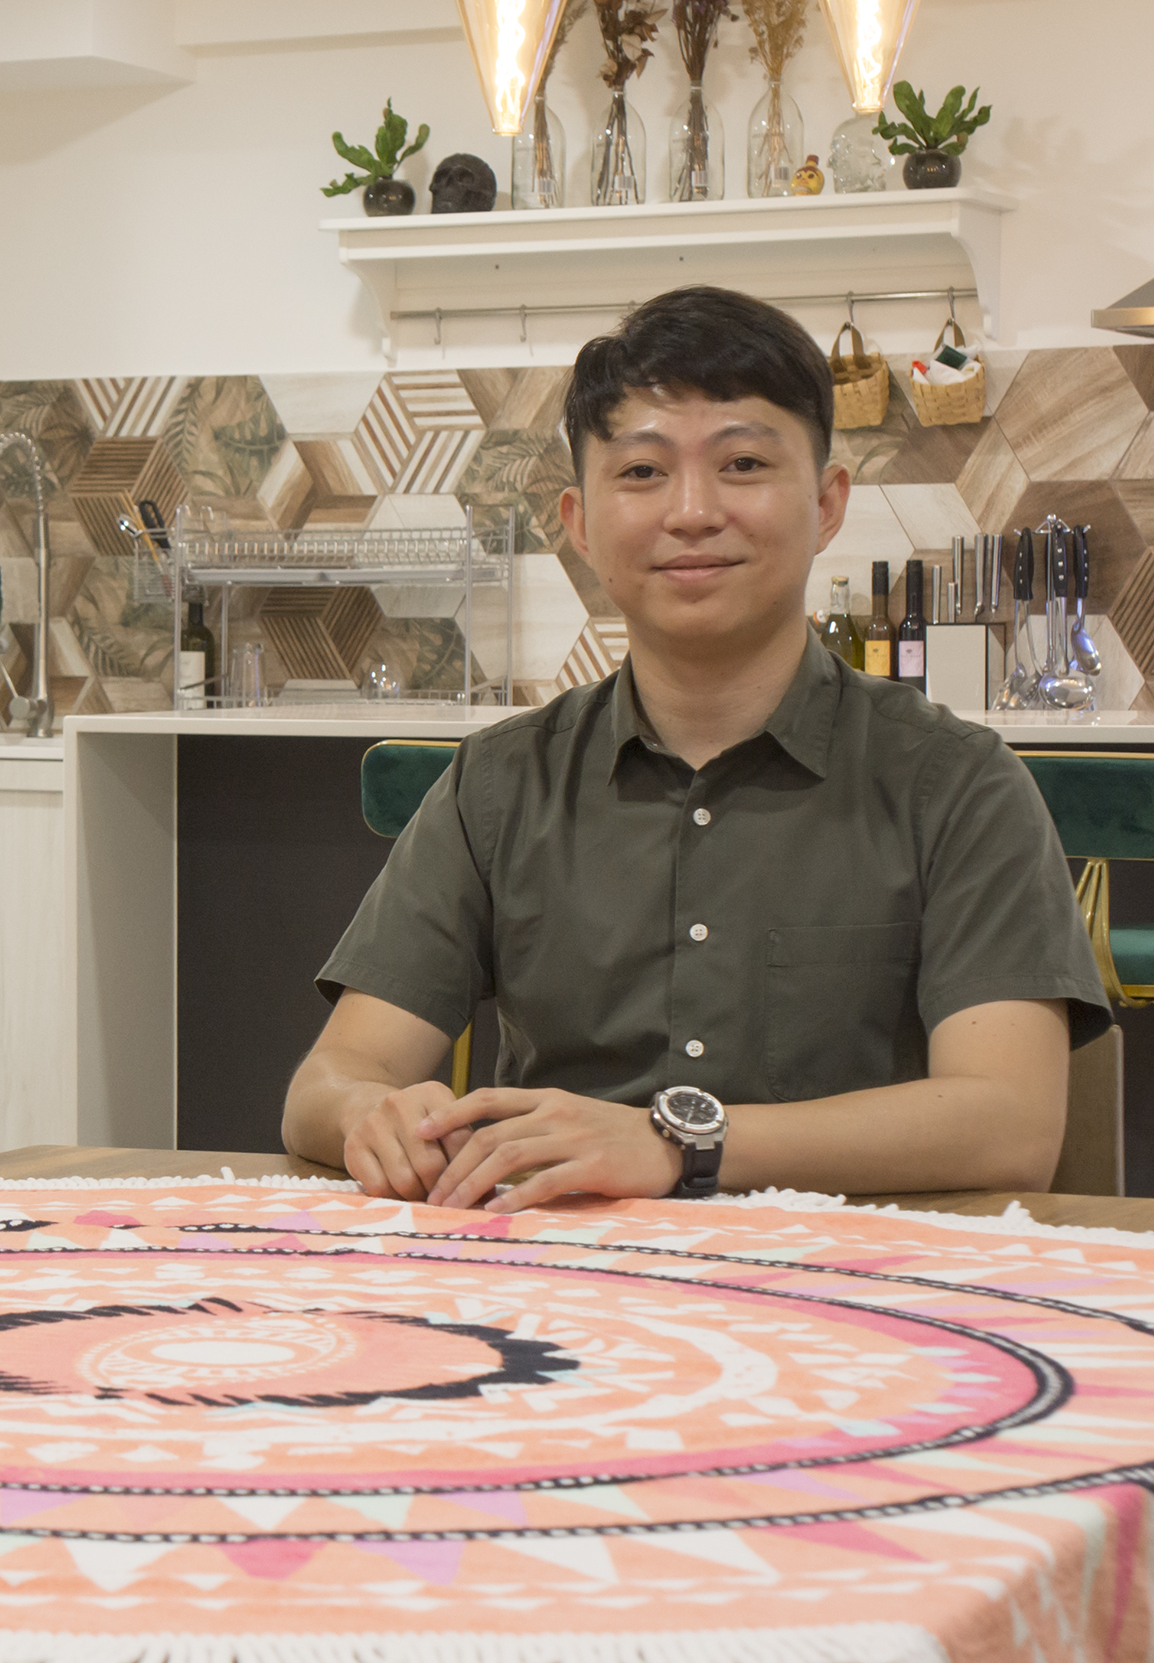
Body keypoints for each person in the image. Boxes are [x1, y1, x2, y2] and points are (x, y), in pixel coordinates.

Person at [282, 285, 1107, 1214]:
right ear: (580, 523)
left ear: (829, 504)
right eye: (640, 472)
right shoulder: (501, 784)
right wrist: (371, 1115)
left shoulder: (954, 784)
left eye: (744, 463)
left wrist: (677, 1143)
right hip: (564, 1282)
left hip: (872, 1293)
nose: (690, 511)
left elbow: (1010, 1127)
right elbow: (329, 1082)